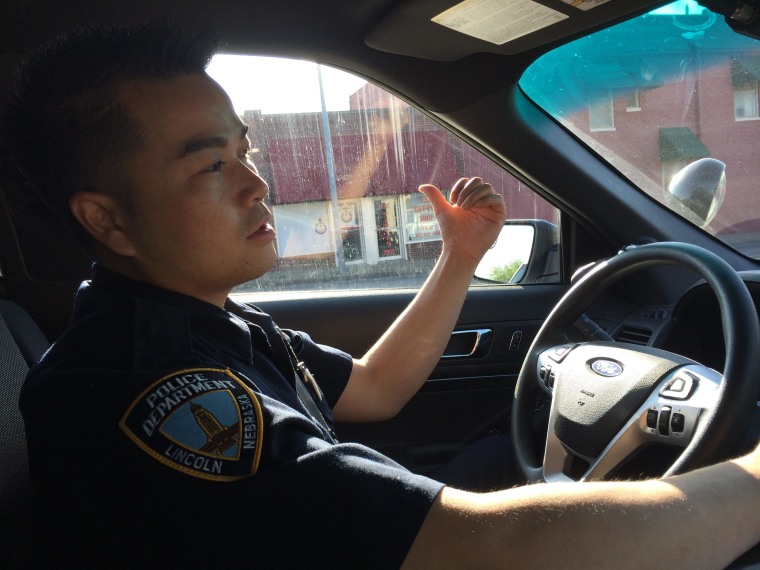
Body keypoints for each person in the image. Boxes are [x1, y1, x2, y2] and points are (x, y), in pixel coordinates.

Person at [3, 21, 759, 569]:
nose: (258, 184)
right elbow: (493, 550)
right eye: (210, 167)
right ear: (107, 219)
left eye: (245, 148)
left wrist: (461, 258)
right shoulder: (134, 386)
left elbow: (373, 389)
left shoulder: (206, 323)